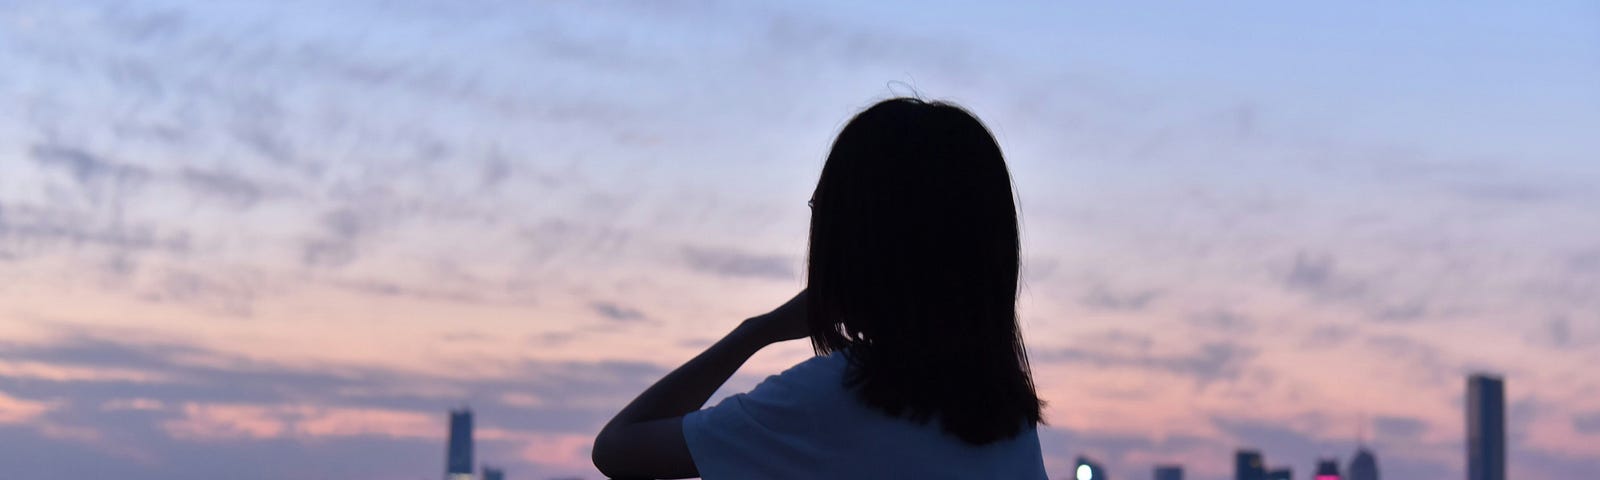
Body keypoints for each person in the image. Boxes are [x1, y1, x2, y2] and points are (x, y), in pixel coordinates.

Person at [592, 97, 1047, 479]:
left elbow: (617, 449)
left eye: (821, 209)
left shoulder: (827, 401)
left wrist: (757, 331)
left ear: (855, 238)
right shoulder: (1008, 421)